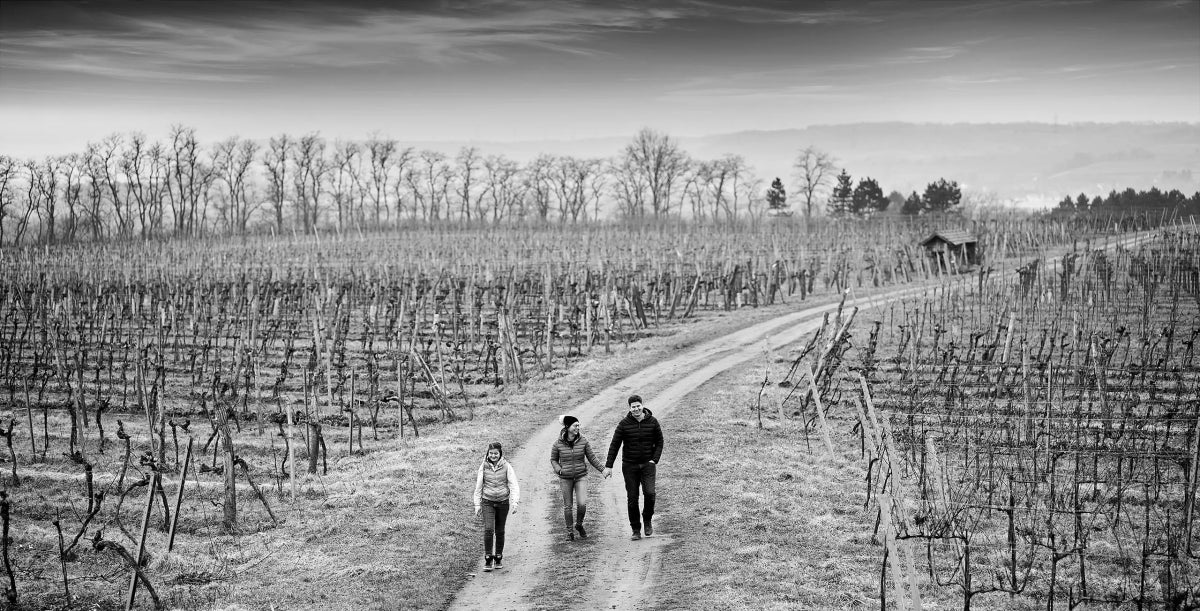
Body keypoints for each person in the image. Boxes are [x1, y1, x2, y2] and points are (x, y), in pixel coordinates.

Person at [603, 394, 664, 540]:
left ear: (642, 406)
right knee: (632, 498)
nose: (636, 409)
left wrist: (654, 460)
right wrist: (608, 466)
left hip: (648, 465)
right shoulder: (624, 424)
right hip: (630, 466)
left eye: (638, 406)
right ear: (629, 408)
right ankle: (636, 529)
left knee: (650, 494)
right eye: (633, 407)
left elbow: (660, 441)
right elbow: (614, 445)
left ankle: (647, 519)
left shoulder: (653, 422)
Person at [550, 415, 605, 541]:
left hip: (581, 476)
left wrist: (602, 470)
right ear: (568, 427)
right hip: (565, 478)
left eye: (579, 425)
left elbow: (592, 458)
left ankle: (579, 525)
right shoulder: (558, 444)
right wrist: (559, 470)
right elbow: (553, 459)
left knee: (582, 504)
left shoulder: (583, 441)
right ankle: (570, 532)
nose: (578, 427)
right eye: (575, 425)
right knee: (568, 506)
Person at [473, 441, 519, 571]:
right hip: (487, 501)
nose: (493, 455)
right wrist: (477, 505)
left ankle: (498, 557)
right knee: (488, 529)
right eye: (491, 453)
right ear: (488, 454)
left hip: (503, 502)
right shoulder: (483, 467)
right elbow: (478, 487)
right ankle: (488, 558)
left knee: (500, 530)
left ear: (500, 454)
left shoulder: (507, 466)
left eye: (496, 453)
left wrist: (514, 502)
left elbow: (513, 485)